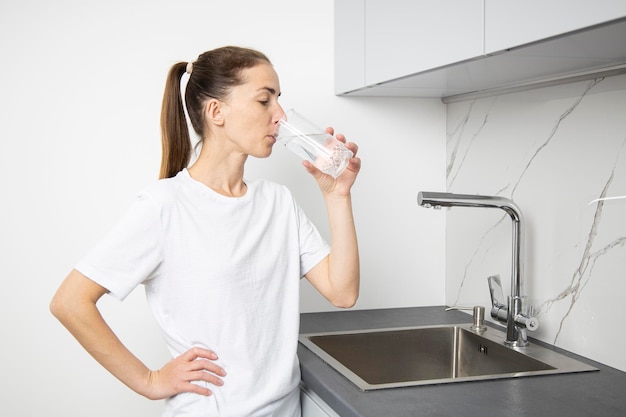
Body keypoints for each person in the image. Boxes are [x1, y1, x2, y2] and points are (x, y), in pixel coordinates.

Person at [50, 46, 361, 417]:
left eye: (279, 100)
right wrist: (149, 381)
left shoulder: (278, 202)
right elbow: (70, 302)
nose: (280, 116)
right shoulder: (165, 206)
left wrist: (337, 195)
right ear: (216, 112)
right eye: (265, 100)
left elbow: (342, 293)